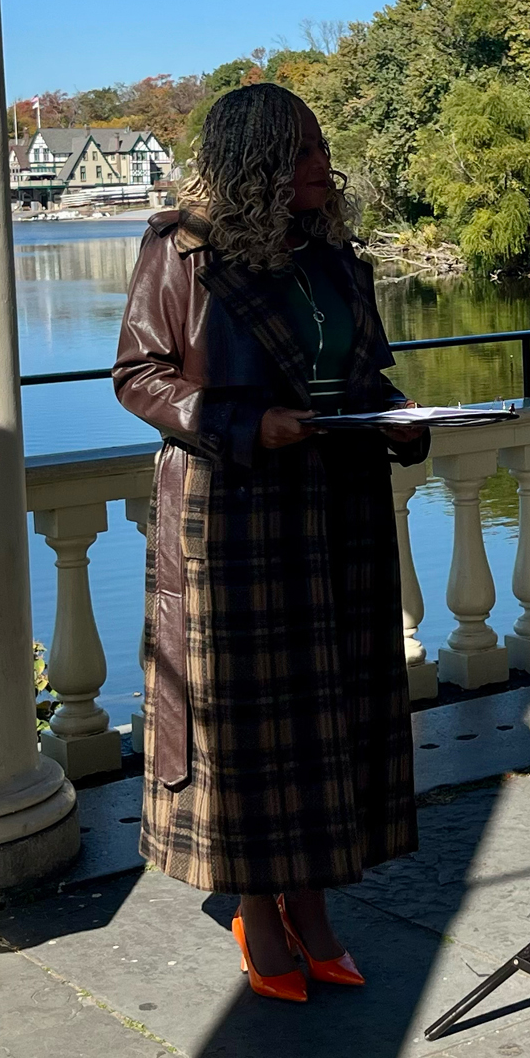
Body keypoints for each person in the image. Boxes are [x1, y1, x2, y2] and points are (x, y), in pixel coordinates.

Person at [112, 83, 428, 1004]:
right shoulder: (183, 249)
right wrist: (249, 424)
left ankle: (316, 904)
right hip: (238, 511)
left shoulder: (333, 254)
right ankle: (259, 906)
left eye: (321, 148)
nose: (321, 166)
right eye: (299, 154)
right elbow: (139, 375)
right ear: (253, 164)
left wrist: (401, 420)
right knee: (256, 724)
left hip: (340, 503)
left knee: (335, 715)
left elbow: (364, 370)